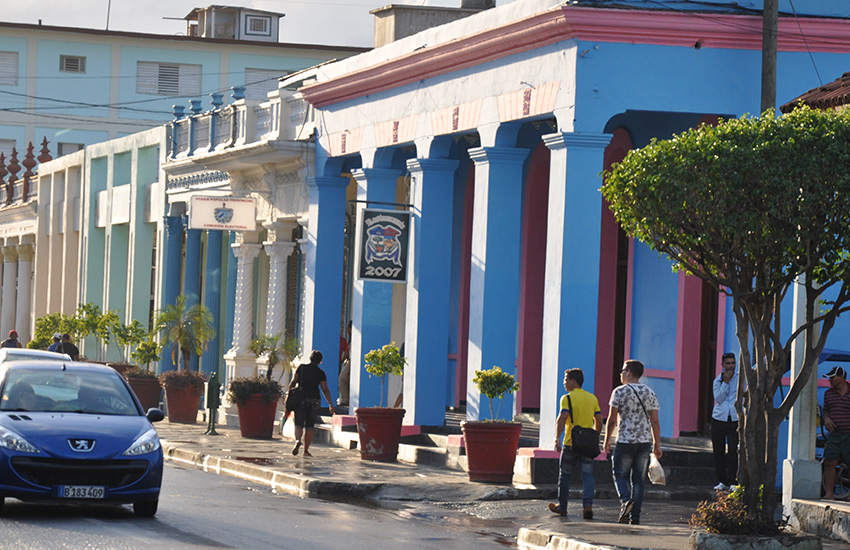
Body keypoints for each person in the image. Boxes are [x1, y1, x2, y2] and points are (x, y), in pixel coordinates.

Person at [603, 359, 662, 525]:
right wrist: (657, 444)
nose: (621, 374)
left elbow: (612, 420)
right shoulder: (650, 392)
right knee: (638, 480)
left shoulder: (619, 392)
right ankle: (635, 515)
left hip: (625, 441)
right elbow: (655, 421)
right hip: (644, 442)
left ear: (629, 372)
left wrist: (607, 440)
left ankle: (626, 500)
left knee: (620, 475)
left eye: (622, 371)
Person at [548, 368, 602, 520]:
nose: (564, 382)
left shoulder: (567, 398)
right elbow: (599, 420)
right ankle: (587, 505)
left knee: (565, 475)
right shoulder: (592, 398)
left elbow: (562, 418)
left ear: (573, 381)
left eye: (565, 379)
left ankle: (563, 507)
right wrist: (595, 436)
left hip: (571, 443)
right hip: (587, 445)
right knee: (588, 474)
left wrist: (557, 438)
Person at [289, 350, 335, 457]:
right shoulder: (321, 373)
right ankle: (306, 450)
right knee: (310, 425)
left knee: (299, 423)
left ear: (310, 358)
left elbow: (293, 382)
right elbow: (325, 389)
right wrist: (331, 404)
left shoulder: (301, 368)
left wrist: (290, 395)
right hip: (314, 400)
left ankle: (297, 440)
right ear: (320, 362)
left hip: (301, 399)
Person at [711, 352, 739, 491]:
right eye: (728, 363)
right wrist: (726, 383)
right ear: (723, 365)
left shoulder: (740, 378)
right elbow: (719, 398)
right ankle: (722, 481)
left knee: (733, 450)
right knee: (718, 450)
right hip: (719, 418)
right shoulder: (718, 381)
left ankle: (733, 480)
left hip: (735, 418)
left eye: (733, 363)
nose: (731, 366)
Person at [822, 365, 850, 500]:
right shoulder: (828, 394)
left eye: (833, 378)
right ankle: (829, 493)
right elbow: (826, 410)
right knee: (830, 462)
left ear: (841, 378)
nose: (830, 380)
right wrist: (826, 418)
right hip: (834, 434)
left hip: (849, 434)